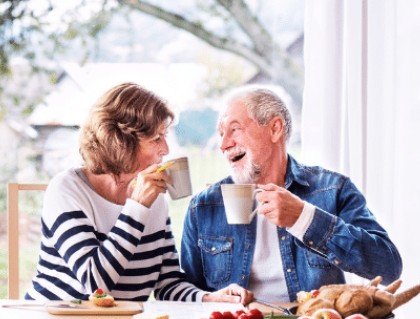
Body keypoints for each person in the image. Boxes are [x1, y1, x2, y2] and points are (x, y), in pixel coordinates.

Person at [25, 82, 253, 305]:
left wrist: (209, 297)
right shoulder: (68, 189)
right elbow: (95, 284)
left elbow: (168, 284)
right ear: (121, 142)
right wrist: (137, 207)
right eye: (156, 139)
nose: (166, 149)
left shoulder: (153, 199)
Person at [180, 85, 403, 303]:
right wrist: (209, 299)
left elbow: (389, 266)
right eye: (221, 134)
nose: (224, 144)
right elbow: (186, 294)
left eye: (234, 129)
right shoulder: (204, 206)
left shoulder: (333, 189)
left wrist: (305, 219)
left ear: (275, 128)